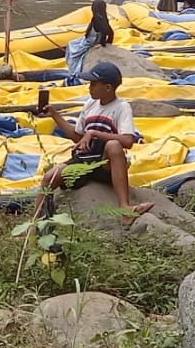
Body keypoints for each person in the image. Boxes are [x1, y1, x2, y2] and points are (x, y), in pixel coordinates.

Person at [33, 61, 153, 225]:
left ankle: (125, 209)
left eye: (94, 84)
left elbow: (128, 141)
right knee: (49, 177)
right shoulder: (90, 105)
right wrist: (55, 115)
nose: (89, 87)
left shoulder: (121, 107)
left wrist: (94, 133)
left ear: (108, 87)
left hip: (104, 163)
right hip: (83, 162)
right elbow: (77, 137)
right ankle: (35, 225)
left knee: (114, 145)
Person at [65, 0, 114, 79]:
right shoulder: (104, 19)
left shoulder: (97, 20)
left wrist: (101, 44)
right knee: (71, 43)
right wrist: (106, 43)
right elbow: (110, 33)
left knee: (73, 52)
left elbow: (94, 37)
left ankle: (73, 72)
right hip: (92, 40)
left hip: (89, 42)